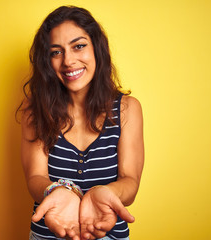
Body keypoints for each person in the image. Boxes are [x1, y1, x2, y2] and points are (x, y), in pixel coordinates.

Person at [18, 5, 144, 240]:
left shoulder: (127, 109)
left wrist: (103, 192)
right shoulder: (34, 109)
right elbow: (35, 177)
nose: (68, 61)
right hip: (48, 234)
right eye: (56, 52)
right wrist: (57, 191)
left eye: (79, 46)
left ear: (96, 48)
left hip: (109, 235)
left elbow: (130, 181)